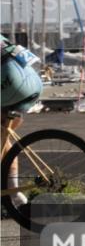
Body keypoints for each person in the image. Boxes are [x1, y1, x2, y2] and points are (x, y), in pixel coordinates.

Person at [1, 35, 44, 209]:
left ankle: (13, 193)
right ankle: (15, 194)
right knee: (5, 138)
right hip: (31, 83)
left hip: (11, 83)